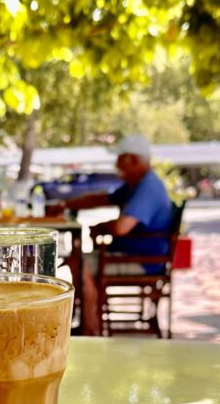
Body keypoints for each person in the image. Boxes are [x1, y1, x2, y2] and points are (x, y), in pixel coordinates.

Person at [60, 133, 173, 335]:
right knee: (76, 260)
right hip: (132, 253)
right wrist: (65, 204)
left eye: (120, 158)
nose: (116, 164)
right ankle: (89, 321)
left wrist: (100, 227)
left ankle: (90, 329)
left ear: (134, 160)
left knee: (79, 263)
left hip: (143, 261)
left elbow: (121, 227)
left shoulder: (148, 186)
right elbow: (101, 199)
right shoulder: (136, 185)